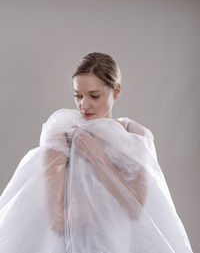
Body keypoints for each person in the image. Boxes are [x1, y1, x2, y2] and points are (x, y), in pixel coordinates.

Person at [0, 52, 193, 252]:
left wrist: (97, 158)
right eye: (78, 96)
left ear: (116, 91)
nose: (84, 105)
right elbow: (57, 221)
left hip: (118, 245)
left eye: (94, 96)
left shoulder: (134, 135)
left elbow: (137, 209)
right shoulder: (64, 132)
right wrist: (113, 201)